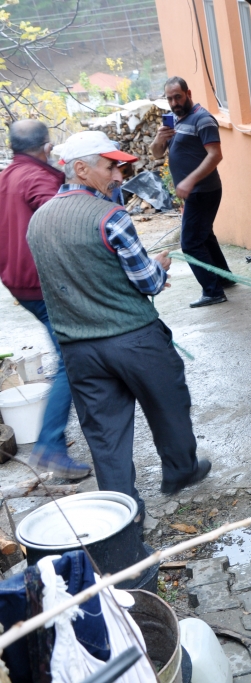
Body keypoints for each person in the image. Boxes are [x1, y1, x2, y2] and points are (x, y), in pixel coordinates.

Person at [27, 131, 212, 518]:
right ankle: (180, 471)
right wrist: (159, 269)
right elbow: (147, 283)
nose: (118, 176)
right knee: (168, 404)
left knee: (104, 433)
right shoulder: (111, 217)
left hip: (78, 348)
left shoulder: (38, 221)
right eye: (110, 167)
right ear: (81, 168)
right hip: (135, 339)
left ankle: (122, 511)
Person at [0, 120, 92, 480]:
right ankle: (50, 446)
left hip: (17, 282)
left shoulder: (8, 176)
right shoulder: (38, 178)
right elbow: (60, 218)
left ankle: (66, 432)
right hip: (43, 284)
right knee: (70, 359)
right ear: (47, 147)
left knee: (74, 353)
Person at [151, 76, 232, 308]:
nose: (174, 102)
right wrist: (159, 139)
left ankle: (212, 291)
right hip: (195, 191)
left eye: (178, 96)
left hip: (203, 190)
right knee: (205, 236)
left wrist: (189, 181)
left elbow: (215, 155)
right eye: (169, 99)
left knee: (190, 244)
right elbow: (157, 154)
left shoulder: (202, 119)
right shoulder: (174, 121)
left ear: (188, 93)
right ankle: (224, 278)